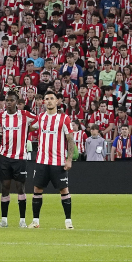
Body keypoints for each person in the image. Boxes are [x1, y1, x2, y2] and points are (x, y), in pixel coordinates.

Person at [30, 92, 76, 229]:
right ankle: (35, 221)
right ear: (43, 102)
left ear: (57, 102)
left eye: (52, 99)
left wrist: (69, 160)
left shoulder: (64, 118)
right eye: (46, 99)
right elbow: (29, 127)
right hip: (41, 161)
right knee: (37, 189)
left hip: (58, 162)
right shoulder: (40, 118)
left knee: (64, 190)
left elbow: (70, 139)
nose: (49, 101)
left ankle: (68, 222)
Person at [0, 91, 34, 228]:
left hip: (19, 158)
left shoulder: (24, 115)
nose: (8, 103)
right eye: (7, 100)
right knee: (5, 187)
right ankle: (4, 220)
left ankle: (22, 220)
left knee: (20, 188)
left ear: (17, 102)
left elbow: (39, 120)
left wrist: (28, 129)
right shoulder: (1, 116)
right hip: (4, 157)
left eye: (11, 100)